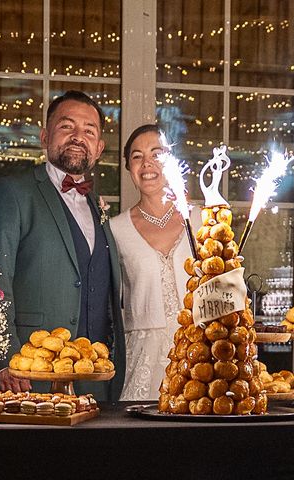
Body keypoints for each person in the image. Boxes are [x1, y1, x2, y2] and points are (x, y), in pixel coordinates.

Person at [0, 90, 125, 401]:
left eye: (89, 130)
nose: (77, 137)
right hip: (29, 376)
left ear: (98, 148)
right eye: (66, 127)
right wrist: (5, 360)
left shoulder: (98, 206)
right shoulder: (12, 193)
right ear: (45, 136)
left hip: (94, 379)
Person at [110, 124, 199, 400]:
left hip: (200, 356)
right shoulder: (115, 229)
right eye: (137, 156)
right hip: (141, 362)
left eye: (156, 154)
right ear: (128, 168)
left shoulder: (202, 221)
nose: (147, 163)